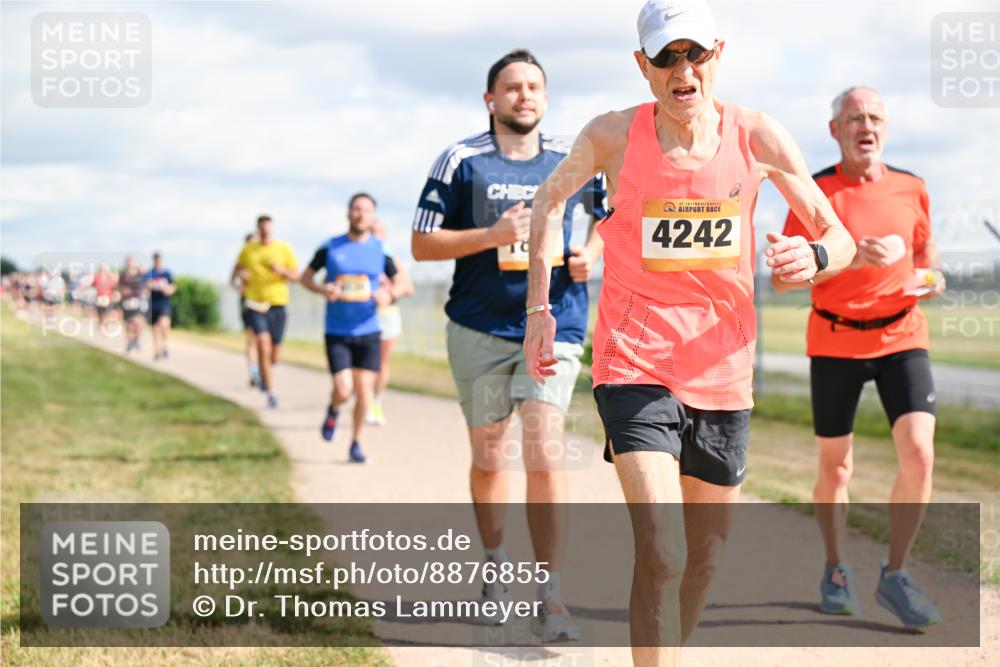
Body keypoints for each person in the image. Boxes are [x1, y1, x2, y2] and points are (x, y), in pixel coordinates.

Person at [522, 1, 856, 663]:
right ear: (642, 66)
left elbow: (837, 233)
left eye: (694, 53)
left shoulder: (756, 135)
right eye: (666, 56)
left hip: (724, 370)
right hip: (633, 362)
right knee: (663, 548)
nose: (683, 68)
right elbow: (546, 202)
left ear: (717, 56)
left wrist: (815, 258)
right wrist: (541, 308)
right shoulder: (613, 135)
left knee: (703, 556)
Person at [412, 48, 608, 641]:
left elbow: (610, 216)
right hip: (477, 327)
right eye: (512, 86)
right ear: (490, 99)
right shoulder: (460, 160)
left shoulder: (576, 160)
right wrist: (492, 235)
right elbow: (423, 244)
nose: (524, 95)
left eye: (534, 87)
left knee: (545, 447)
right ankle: (495, 572)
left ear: (545, 99)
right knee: (490, 455)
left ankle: (550, 592)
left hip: (553, 323)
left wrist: (589, 254)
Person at [775, 85, 944, 630]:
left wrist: (931, 276)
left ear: (885, 129)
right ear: (835, 131)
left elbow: (925, 253)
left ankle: (896, 573)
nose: (865, 126)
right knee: (836, 467)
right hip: (835, 340)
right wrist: (846, 262)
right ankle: (835, 567)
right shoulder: (813, 192)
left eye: (874, 118)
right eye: (854, 118)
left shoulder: (912, 187)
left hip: (901, 337)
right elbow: (781, 279)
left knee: (919, 451)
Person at [301, 193, 413, 463]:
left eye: (367, 210)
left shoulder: (381, 250)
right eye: (357, 209)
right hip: (338, 330)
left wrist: (390, 295)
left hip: (369, 330)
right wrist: (322, 288)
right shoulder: (331, 247)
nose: (361, 214)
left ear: (373, 216)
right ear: (348, 213)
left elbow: (402, 283)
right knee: (343, 388)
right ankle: (334, 408)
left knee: (364, 391)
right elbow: (305, 277)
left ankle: (356, 443)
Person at [233, 215, 299, 408]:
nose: (264, 233)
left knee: (274, 354)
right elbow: (236, 270)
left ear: (272, 229)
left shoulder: (283, 249)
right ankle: (271, 392)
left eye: (267, 229)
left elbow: (297, 276)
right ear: (258, 229)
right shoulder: (248, 250)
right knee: (262, 342)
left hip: (278, 303)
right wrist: (240, 275)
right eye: (261, 229)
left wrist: (282, 271)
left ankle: (264, 371)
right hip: (254, 303)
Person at [367, 217, 412, 426]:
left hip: (386, 316)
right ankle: (363, 398)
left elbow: (408, 288)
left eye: (378, 231)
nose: (374, 235)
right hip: (362, 316)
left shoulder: (391, 259)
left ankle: (376, 402)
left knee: (381, 363)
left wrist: (390, 292)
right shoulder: (359, 257)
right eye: (371, 231)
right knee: (364, 363)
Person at [232, 233, 261, 387]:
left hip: (267, 302)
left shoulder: (265, 259)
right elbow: (233, 281)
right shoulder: (242, 262)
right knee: (252, 338)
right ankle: (254, 372)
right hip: (248, 302)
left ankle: (263, 369)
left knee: (265, 340)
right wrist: (241, 284)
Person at [146, 251, 176, 360]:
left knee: (164, 324)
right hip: (153, 303)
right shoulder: (150, 273)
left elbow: (173, 286)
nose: (158, 262)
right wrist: (151, 286)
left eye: (159, 260)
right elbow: (146, 285)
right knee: (155, 329)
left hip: (164, 303)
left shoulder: (167, 273)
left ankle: (165, 346)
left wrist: (169, 290)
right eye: (156, 260)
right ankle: (156, 350)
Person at [118, 256, 149, 353]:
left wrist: (145, 291)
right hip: (127, 303)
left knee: (140, 322)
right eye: (129, 262)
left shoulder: (141, 274)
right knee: (130, 324)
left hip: (139, 301)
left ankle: (136, 340)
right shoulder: (123, 275)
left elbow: (147, 282)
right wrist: (123, 290)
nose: (131, 264)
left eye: (133, 262)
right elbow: (119, 287)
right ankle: (130, 342)